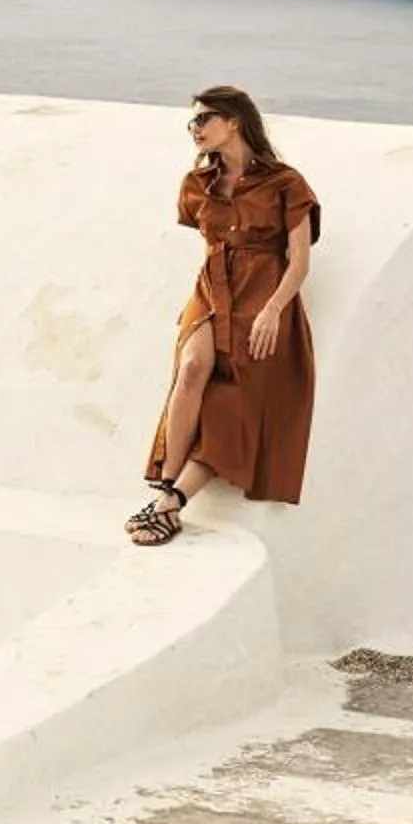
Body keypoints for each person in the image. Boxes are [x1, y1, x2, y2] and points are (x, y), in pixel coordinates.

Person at [131, 86, 322, 546]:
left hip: (263, 297)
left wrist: (273, 310)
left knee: (234, 404)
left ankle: (171, 502)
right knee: (193, 369)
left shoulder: (285, 182)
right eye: (191, 123)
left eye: (204, 119)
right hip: (211, 291)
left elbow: (299, 261)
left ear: (234, 121)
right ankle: (165, 486)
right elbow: (210, 240)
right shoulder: (196, 185)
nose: (195, 129)